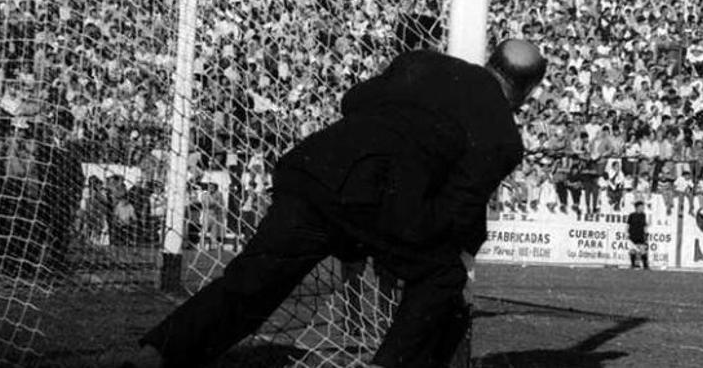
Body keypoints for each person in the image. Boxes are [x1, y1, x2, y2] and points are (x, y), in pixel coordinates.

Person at [118, 40, 547, 368]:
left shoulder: (423, 62)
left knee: (252, 279)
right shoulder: (503, 138)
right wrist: (406, 243)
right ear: (528, 89)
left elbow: (353, 101)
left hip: (319, 169)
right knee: (442, 277)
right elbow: (455, 212)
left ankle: (156, 354)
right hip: (383, 196)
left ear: (491, 58)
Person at [627, 200, 650, 270]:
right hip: (633, 235)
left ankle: (645, 266)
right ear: (637, 207)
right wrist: (627, 233)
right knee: (633, 250)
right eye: (641, 206)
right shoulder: (631, 215)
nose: (643, 208)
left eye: (643, 207)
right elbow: (628, 225)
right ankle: (633, 265)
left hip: (641, 235)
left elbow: (645, 226)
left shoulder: (643, 215)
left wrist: (646, 234)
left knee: (643, 250)